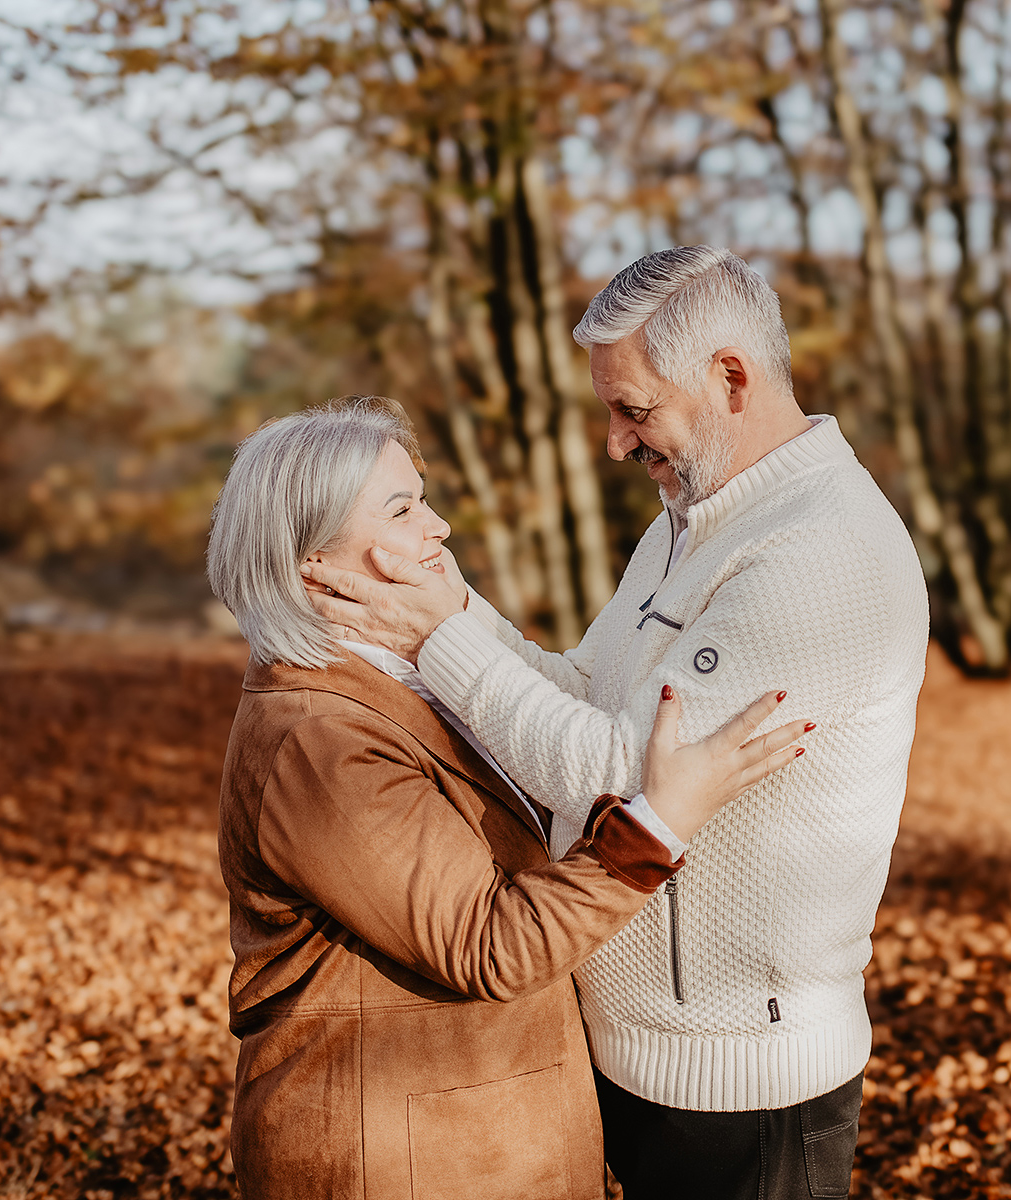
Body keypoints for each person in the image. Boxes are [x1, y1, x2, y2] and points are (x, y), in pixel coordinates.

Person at [303, 246, 930, 1200]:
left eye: (633, 410)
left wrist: (436, 637)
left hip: (743, 1091)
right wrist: (451, 604)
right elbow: (583, 690)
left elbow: (613, 775)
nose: (614, 442)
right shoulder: (694, 518)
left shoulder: (817, 551)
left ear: (730, 377)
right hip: (633, 1059)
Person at [206, 396, 808, 1200]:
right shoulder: (318, 737)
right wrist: (658, 825)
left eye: (421, 496)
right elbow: (494, 945)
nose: (439, 525)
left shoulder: (394, 679)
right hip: (396, 1159)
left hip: (477, 1139)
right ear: (313, 559)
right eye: (403, 508)